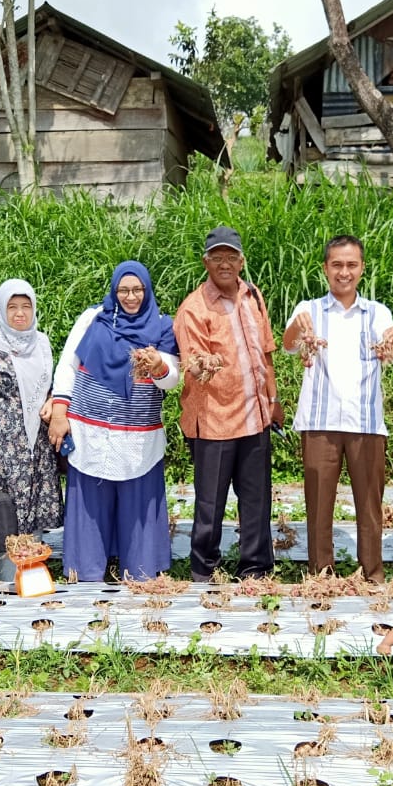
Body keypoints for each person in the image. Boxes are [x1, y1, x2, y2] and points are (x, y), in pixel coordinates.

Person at [282, 235, 393, 583]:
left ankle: (372, 573)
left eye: (351, 265)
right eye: (337, 264)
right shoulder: (310, 309)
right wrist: (297, 328)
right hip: (320, 421)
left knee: (369, 504)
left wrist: (392, 341)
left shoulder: (377, 313)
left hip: (366, 422)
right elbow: (290, 343)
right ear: (325, 269)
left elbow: (391, 350)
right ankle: (321, 575)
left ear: (362, 269)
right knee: (319, 504)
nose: (344, 272)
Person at [48, 261, 180, 581]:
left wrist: (158, 365)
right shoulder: (93, 318)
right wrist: (59, 414)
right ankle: (87, 575)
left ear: (147, 290)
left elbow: (172, 379)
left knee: (139, 507)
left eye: (137, 290)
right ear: (114, 290)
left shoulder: (163, 326)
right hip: (89, 429)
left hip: (138, 437)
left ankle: (141, 575)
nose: (130, 297)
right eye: (124, 290)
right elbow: (68, 365)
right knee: (90, 505)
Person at [173, 226, 282, 581]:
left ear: (241, 260)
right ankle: (204, 572)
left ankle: (255, 569)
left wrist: (274, 399)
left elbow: (265, 353)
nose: (225, 264)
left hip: (256, 417)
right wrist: (205, 365)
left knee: (257, 500)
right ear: (206, 262)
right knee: (209, 504)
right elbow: (194, 363)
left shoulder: (254, 297)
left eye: (231, 257)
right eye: (217, 257)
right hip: (214, 420)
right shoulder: (194, 308)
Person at [0, 279, 63, 550]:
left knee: (34, 507)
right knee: (8, 511)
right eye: (12, 307)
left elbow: (51, 384)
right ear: (1, 310)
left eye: (26, 306)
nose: (20, 313)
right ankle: (7, 573)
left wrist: (53, 400)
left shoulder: (41, 343)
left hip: (36, 442)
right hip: (3, 446)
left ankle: (32, 568)